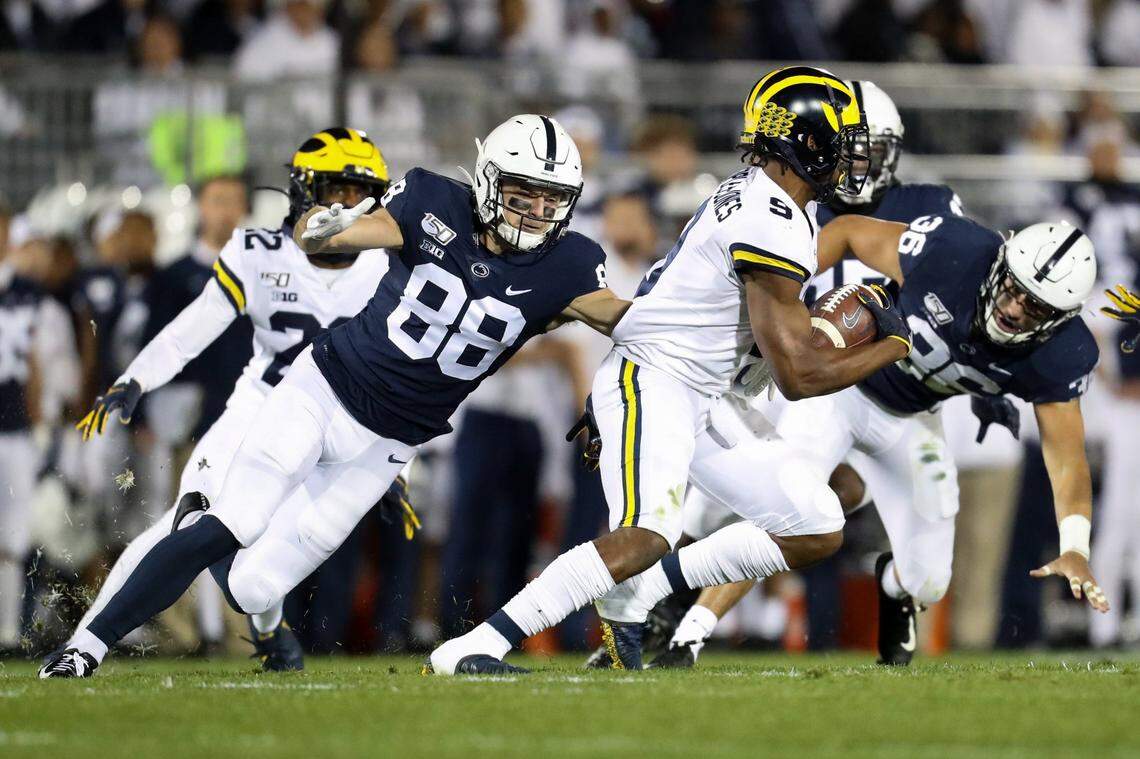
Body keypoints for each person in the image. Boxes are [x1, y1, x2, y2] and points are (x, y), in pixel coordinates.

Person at [38, 114, 628, 678]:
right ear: (489, 181)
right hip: (322, 389)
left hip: (388, 445)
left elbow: (632, 327)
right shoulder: (431, 200)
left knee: (253, 588)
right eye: (524, 194)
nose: (538, 212)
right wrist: (326, 225)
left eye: (553, 198)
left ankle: (216, 556)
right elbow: (354, 231)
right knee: (236, 518)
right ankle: (84, 650)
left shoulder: (568, 265)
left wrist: (658, 351)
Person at [428, 66, 914, 675]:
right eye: (838, 141)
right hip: (655, 379)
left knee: (816, 523)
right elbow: (798, 375)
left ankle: (641, 593)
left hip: (701, 392)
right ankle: (476, 645)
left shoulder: (770, 200)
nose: (847, 157)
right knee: (646, 534)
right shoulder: (772, 216)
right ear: (804, 141)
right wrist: (888, 346)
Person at [648, 80, 983, 668]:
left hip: (904, 398)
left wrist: (983, 371)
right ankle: (679, 624)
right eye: (846, 148)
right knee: (746, 506)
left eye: (868, 151)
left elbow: (978, 282)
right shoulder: (792, 201)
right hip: (811, 388)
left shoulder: (931, 206)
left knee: (917, 565)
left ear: (892, 153)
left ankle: (897, 590)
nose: (855, 165)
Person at [45, 128, 397, 675]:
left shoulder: (390, 264)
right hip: (263, 406)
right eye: (335, 189)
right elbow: (196, 326)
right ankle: (86, 643)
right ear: (304, 192)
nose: (347, 206)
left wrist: (385, 455)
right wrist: (138, 377)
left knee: (261, 562)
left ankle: (266, 628)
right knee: (188, 524)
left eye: (359, 193)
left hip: (340, 421)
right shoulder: (259, 251)